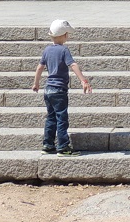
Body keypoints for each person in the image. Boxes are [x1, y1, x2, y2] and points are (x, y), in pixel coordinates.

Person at [31, 18, 92, 155]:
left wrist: (36, 83)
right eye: (67, 34)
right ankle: (63, 146)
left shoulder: (47, 50)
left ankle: (48, 145)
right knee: (61, 118)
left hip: (48, 90)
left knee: (51, 118)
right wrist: (83, 80)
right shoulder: (64, 50)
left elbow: (40, 67)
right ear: (64, 35)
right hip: (59, 90)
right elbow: (73, 65)